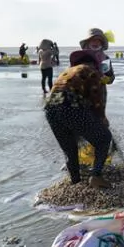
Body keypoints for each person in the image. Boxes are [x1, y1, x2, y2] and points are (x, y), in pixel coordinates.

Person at [44, 50, 112, 188]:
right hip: (70, 107)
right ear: (94, 64)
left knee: (70, 148)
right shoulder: (92, 71)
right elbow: (98, 101)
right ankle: (96, 176)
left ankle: (75, 181)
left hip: (50, 109)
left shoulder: (67, 72)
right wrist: (102, 120)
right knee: (104, 138)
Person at [80, 28, 115, 112]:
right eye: (93, 40)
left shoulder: (105, 59)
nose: (95, 43)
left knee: (98, 118)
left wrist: (108, 79)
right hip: (82, 94)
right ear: (87, 42)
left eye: (98, 40)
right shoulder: (80, 57)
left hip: (99, 94)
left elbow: (110, 77)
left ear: (102, 43)